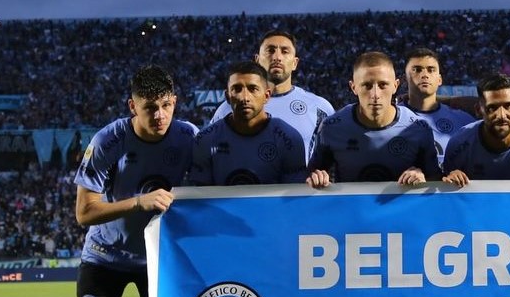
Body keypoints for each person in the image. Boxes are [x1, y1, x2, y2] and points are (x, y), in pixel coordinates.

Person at [73, 65, 197, 297]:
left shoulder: (188, 137)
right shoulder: (108, 141)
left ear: (174, 102)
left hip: (157, 255)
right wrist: (138, 202)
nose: (160, 115)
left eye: (166, 105)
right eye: (150, 107)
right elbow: (83, 213)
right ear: (133, 106)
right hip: (105, 254)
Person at [307, 52, 441, 186]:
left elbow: (435, 180)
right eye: (367, 85)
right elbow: (311, 176)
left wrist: (422, 177)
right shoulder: (331, 127)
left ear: (395, 86)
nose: (375, 94)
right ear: (353, 87)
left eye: (383, 85)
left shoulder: (418, 128)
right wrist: (316, 177)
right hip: (351, 207)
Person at [212, 29, 334, 161]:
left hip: (298, 182)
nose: (277, 57)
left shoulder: (319, 107)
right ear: (257, 60)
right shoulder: (228, 108)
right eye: (270, 50)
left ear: (295, 63)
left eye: (285, 51)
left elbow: (334, 156)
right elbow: (210, 152)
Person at [188, 62, 308, 185]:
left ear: (266, 96)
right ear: (228, 96)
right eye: (237, 89)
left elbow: (294, 196)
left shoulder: (289, 139)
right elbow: (200, 196)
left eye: (253, 89)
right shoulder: (206, 139)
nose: (244, 97)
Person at [402, 47, 476, 166]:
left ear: (440, 80)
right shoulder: (390, 119)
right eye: (417, 69)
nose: (425, 75)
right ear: (405, 79)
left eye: (431, 70)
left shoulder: (463, 121)